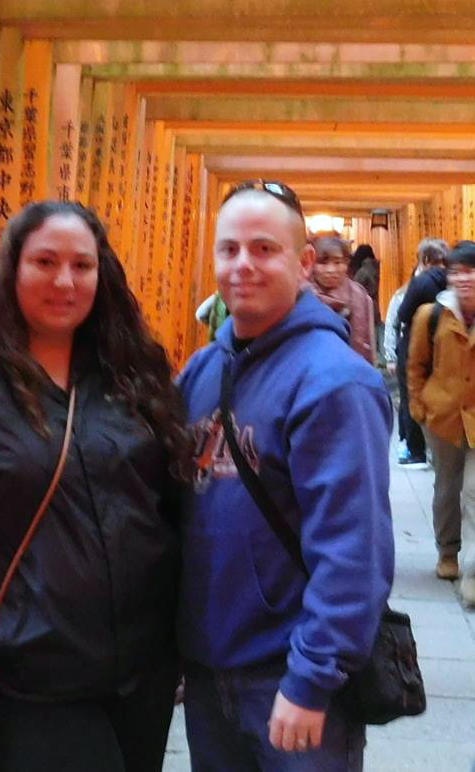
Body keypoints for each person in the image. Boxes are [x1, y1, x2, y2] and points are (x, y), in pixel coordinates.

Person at [0, 201, 191, 772]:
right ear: (12, 268)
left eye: (82, 265)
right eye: (45, 262)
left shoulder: (131, 372)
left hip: (141, 674)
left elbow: (169, 505)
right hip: (27, 680)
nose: (64, 281)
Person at [177, 181, 394, 772]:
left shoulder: (335, 382)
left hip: (288, 675)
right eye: (229, 249)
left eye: (264, 249)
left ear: (302, 263)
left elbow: (354, 548)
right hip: (209, 673)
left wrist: (312, 677)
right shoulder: (203, 370)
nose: (242, 265)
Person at [405, 240, 475, 601]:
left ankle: (473, 572)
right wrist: (419, 408)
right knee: (448, 488)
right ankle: (448, 551)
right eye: (457, 272)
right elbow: (415, 365)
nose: (464, 279)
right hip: (443, 417)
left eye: (471, 271)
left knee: (474, 492)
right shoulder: (431, 315)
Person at [395, 239, 458, 464]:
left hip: (417, 345)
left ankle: (416, 449)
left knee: (412, 393)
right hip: (446, 347)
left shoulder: (421, 282)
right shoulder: (454, 281)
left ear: (424, 259)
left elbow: (403, 314)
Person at [307, 236, 375, 361]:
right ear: (311, 263)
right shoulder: (300, 296)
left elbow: (368, 344)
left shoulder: (359, 296)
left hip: (351, 367)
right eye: (323, 263)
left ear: (346, 263)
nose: (331, 270)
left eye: (338, 262)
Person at [348, 243, 382, 337]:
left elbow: (354, 289)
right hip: (374, 309)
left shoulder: (364, 271)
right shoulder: (374, 267)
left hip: (364, 311)